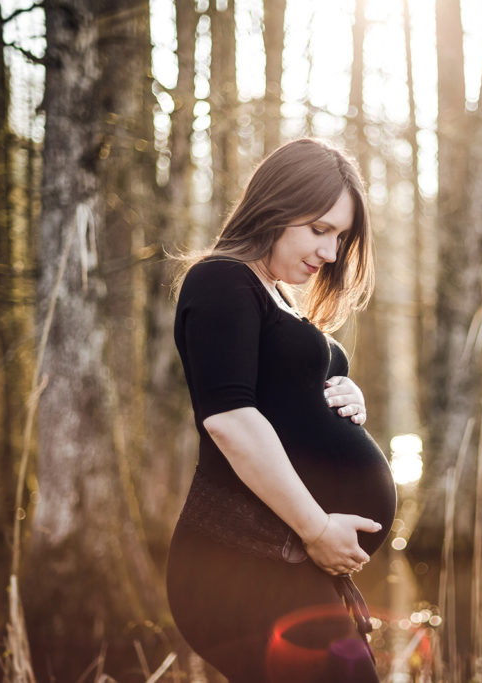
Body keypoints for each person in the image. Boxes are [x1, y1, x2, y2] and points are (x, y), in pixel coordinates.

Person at [167, 138, 397, 682]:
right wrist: (317, 528)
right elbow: (229, 419)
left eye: (340, 237)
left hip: (287, 560)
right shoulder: (222, 279)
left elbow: (280, 399)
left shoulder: (275, 294)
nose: (331, 253)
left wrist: (341, 391)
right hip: (241, 561)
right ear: (273, 206)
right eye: (319, 229)